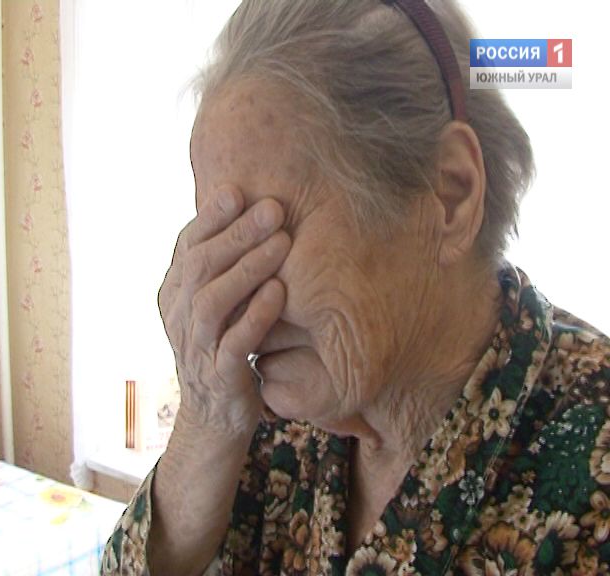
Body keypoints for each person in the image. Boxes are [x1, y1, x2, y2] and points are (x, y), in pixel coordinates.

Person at [102, 0, 610, 574]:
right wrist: (206, 422)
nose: (230, 301)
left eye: (270, 229)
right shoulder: (273, 420)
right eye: (220, 238)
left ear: (450, 194)